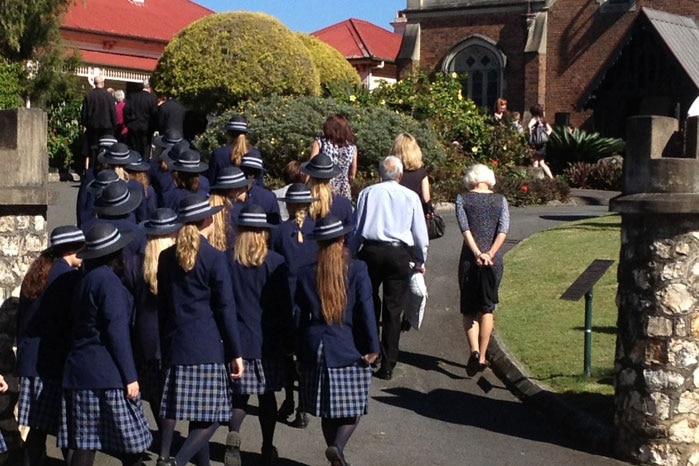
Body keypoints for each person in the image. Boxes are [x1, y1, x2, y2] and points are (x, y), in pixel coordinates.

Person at [156, 194, 244, 466]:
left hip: (177, 343)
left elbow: (163, 307)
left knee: (194, 413)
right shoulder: (215, 258)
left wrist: (164, 345)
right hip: (206, 345)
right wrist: (235, 352)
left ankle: (182, 461)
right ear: (207, 220)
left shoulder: (166, 257)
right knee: (214, 415)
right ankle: (177, 462)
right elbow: (225, 308)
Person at [58, 223, 152, 466]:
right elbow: (117, 332)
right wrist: (130, 376)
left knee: (85, 445)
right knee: (132, 447)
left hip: (79, 372)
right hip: (106, 375)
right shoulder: (109, 282)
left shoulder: (86, 280)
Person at [294, 215, 379, 466]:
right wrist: (372, 346)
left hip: (315, 346)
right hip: (347, 346)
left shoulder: (305, 273)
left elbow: (298, 316)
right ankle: (337, 447)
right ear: (343, 238)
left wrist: (299, 352)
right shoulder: (357, 269)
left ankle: (335, 459)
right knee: (353, 406)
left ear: (318, 242)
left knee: (327, 409)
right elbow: (366, 308)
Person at [226, 204, 294, 466]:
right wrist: (290, 341)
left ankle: (234, 433)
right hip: (268, 340)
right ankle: (267, 446)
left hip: (238, 339)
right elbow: (284, 305)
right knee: (267, 396)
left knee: (239, 396)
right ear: (264, 232)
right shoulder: (275, 263)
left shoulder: (227, 259)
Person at [353, 156, 428, 381]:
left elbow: (358, 228)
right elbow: (419, 234)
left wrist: (351, 254)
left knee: (368, 302)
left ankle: (370, 352)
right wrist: (420, 261)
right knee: (393, 309)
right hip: (398, 253)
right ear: (400, 175)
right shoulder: (410, 196)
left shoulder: (367, 193)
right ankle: (388, 363)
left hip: (371, 251)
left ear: (380, 174)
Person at [16, 226, 85, 466]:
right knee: (65, 427)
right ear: (73, 249)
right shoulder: (66, 277)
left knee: (38, 426)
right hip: (49, 362)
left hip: (31, 360)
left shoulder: (39, 271)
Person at [122, 208, 181, 430]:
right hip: (173, 334)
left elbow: (129, 302)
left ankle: (165, 435)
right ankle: (169, 443)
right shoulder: (178, 262)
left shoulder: (135, 263)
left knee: (155, 393)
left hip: (145, 336)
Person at [271, 183, 318, 429]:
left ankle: (288, 399)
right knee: (306, 352)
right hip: (309, 298)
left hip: (285, 298)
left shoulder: (278, 232)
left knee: (288, 353)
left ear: (288, 205)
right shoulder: (316, 230)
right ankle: (303, 404)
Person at [455, 164, 509, 376]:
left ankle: (474, 351)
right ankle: (484, 356)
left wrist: (477, 253)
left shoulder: (462, 199)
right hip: (493, 262)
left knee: (469, 307)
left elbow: (464, 229)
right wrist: (490, 253)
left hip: (470, 260)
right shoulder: (501, 200)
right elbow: (503, 230)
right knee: (487, 307)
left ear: (471, 179)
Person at [309, 114, 358, 200]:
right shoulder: (352, 147)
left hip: (323, 187)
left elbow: (311, 165)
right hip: (343, 189)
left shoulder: (320, 142)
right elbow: (352, 173)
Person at [207, 114, 262, 187]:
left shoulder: (218, 154)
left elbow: (211, 183)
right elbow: (259, 184)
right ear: (246, 135)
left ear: (228, 134)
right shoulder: (255, 154)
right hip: (249, 196)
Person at [301, 154, 353, 229]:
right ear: (330, 176)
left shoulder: (300, 203)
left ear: (310, 175)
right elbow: (349, 237)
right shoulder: (344, 204)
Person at [208, 166, 253, 252]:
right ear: (234, 191)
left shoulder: (208, 207)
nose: (247, 191)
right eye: (245, 187)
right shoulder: (238, 211)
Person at [80, 74, 117, 171]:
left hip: (93, 127)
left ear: (94, 83)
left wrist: (85, 124)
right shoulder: (109, 96)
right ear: (103, 83)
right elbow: (113, 112)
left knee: (93, 149)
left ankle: (94, 169)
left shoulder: (89, 95)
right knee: (105, 148)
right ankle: (104, 169)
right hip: (107, 127)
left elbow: (84, 113)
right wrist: (114, 125)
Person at [392, 133, 431, 214]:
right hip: (415, 213)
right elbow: (426, 198)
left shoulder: (390, 171)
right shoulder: (421, 172)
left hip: (395, 212)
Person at [240, 153, 280, 224]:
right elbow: (276, 228)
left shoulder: (229, 195)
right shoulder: (268, 197)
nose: (249, 176)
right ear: (258, 174)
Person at [124, 79, 158, 158]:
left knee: (133, 149)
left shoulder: (133, 96)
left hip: (133, 127)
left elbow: (126, 109)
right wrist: (153, 127)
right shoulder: (152, 99)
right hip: (146, 129)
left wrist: (128, 122)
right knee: (145, 150)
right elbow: (154, 114)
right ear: (150, 87)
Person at [527, 103, 554, 179]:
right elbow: (550, 129)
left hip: (536, 144)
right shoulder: (543, 120)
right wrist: (544, 136)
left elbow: (529, 126)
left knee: (535, 161)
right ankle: (551, 178)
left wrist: (531, 135)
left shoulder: (535, 119)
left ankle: (534, 179)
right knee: (542, 162)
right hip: (543, 144)